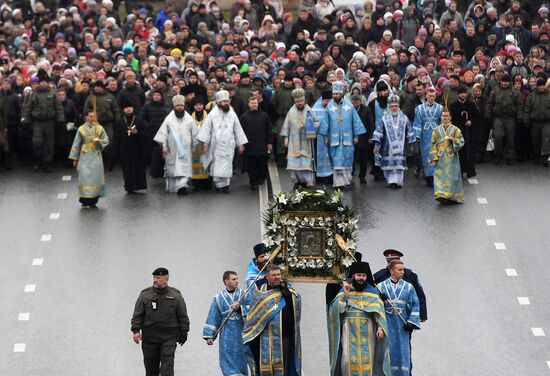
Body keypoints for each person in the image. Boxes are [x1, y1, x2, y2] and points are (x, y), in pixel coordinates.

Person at [327, 261, 391, 376]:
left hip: (368, 331)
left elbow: (379, 311)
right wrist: (345, 296)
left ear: (366, 277)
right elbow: (339, 310)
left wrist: (380, 328)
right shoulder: (345, 289)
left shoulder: (373, 292)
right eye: (358, 275)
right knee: (347, 359)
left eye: (363, 275)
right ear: (353, 276)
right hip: (349, 330)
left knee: (368, 359)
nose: (361, 278)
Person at [243, 264, 302, 376]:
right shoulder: (260, 292)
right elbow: (254, 315)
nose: (277, 277)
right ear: (267, 277)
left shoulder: (288, 290)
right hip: (264, 337)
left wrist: (286, 293)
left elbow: (296, 307)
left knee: (285, 367)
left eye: (278, 274)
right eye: (273, 275)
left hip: (284, 337)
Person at [131, 268, 190, 376]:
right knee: (151, 370)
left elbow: (183, 316)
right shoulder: (145, 295)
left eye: (158, 278)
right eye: (154, 277)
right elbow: (137, 315)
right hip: (149, 338)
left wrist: (184, 332)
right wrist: (136, 331)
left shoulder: (175, 295)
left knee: (167, 370)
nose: (155, 280)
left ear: (166, 279)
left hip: (169, 338)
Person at [197, 90, 248, 193]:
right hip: (216, 145)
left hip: (229, 144)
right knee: (217, 164)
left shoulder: (232, 114)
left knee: (227, 164)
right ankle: (220, 185)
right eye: (224, 101)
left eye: (227, 101)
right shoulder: (212, 114)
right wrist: (205, 145)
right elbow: (206, 130)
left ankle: (225, 184)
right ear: (218, 102)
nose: (226, 103)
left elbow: (238, 129)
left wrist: (241, 144)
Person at [378, 260, 421, 376]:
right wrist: (379, 299)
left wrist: (411, 322)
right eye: (399, 269)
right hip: (387, 325)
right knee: (387, 351)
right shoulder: (380, 287)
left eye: (403, 269)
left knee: (403, 352)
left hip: (402, 327)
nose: (403, 272)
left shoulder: (409, 287)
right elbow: (376, 307)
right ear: (391, 271)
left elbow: (415, 305)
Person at [320, 81, 366, 188]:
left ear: (341, 94)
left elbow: (356, 121)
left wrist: (356, 136)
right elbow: (325, 123)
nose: (335, 96)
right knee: (336, 162)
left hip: (347, 139)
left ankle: (346, 182)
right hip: (334, 139)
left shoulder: (349, 106)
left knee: (347, 160)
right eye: (333, 94)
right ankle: (338, 183)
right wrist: (325, 137)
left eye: (337, 94)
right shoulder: (329, 107)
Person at [203, 271, 249, 376]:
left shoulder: (243, 294)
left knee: (241, 357)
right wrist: (210, 335)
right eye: (233, 279)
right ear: (226, 281)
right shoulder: (218, 298)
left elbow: (253, 308)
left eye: (237, 279)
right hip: (226, 334)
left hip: (242, 332)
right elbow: (213, 316)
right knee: (227, 356)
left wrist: (240, 308)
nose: (237, 281)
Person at [153, 95, 197, 195]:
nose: (180, 108)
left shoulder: (189, 119)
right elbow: (163, 134)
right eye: (177, 106)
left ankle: (182, 186)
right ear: (174, 106)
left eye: (181, 105)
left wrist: (194, 146)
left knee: (183, 168)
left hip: (185, 149)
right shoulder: (168, 119)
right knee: (173, 169)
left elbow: (194, 134)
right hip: (172, 148)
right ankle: (175, 187)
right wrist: (164, 146)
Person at [21, 73, 65, 172]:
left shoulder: (53, 93)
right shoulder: (34, 94)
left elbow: (58, 107)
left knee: (49, 144)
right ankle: (38, 160)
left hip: (49, 122)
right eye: (42, 82)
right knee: (37, 142)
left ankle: (47, 162)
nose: (44, 84)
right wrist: (26, 119)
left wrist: (61, 119)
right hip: (37, 122)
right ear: (39, 83)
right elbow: (28, 108)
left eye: (45, 82)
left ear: (47, 83)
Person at [371, 94, 416, 188]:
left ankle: (396, 181)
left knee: (398, 167)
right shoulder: (384, 118)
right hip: (387, 147)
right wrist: (376, 145)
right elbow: (379, 132)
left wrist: (411, 145)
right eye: (392, 106)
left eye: (396, 106)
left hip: (401, 147)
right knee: (389, 167)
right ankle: (391, 180)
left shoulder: (404, 118)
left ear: (398, 107)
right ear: (389, 107)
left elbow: (410, 131)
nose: (394, 108)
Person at [68, 109, 109, 208]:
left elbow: (106, 139)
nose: (92, 118)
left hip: (95, 155)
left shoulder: (99, 128)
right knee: (85, 177)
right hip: (84, 155)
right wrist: (75, 158)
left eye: (94, 116)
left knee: (95, 177)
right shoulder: (81, 129)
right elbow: (76, 144)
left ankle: (94, 199)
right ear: (86, 117)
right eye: (90, 116)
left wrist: (99, 141)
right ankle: (84, 199)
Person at [373, 249, 428, 323]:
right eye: (389, 261)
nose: (390, 264)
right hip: (385, 316)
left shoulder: (410, 275)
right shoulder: (379, 276)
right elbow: (372, 295)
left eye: (393, 261)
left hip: (405, 315)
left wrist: (422, 314)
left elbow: (419, 295)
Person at [281, 87, 318, 189]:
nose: (299, 103)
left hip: (306, 141)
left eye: (301, 101)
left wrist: (308, 126)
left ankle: (307, 181)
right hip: (294, 142)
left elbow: (317, 122)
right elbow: (286, 126)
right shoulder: (291, 112)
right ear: (294, 101)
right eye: (297, 101)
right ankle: (297, 181)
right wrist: (285, 139)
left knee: (306, 164)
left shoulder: (309, 110)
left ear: (304, 100)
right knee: (295, 164)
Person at [111, 100, 148, 194]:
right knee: (127, 169)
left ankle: (139, 185)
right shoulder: (119, 122)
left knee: (138, 167)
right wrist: (115, 151)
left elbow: (145, 135)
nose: (128, 109)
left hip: (137, 149)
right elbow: (116, 138)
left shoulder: (139, 120)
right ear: (123, 109)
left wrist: (138, 133)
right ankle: (129, 186)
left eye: (130, 107)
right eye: (126, 107)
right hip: (124, 149)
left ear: (133, 108)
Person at [485, 73, 522, 165]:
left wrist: (519, 117)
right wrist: (488, 114)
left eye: (507, 82)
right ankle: (498, 154)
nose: (505, 83)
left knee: (510, 138)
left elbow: (519, 105)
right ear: (500, 82)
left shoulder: (515, 91)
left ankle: (510, 157)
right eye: (503, 81)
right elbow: (490, 103)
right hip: (498, 118)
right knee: (497, 136)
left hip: (510, 118)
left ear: (510, 82)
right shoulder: (495, 91)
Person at [430, 108, 465, 204]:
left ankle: (451, 196)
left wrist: (452, 139)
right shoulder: (436, 130)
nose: (445, 118)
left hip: (452, 158)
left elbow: (461, 142)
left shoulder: (456, 130)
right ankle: (441, 195)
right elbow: (432, 144)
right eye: (443, 116)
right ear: (440, 118)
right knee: (439, 177)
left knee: (452, 178)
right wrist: (433, 158)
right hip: (440, 158)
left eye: (447, 116)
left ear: (450, 117)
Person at [240, 96, 274, 190]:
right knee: (251, 166)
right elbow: (240, 132)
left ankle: (261, 178)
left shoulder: (264, 116)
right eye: (252, 103)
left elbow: (269, 130)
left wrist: (270, 142)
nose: (254, 104)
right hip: (249, 145)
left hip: (262, 144)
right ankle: (253, 182)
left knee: (262, 164)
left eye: (255, 103)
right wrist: (241, 144)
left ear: (258, 104)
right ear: (248, 104)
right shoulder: (243, 117)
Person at [83, 80, 120, 164]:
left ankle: (109, 160)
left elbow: (116, 110)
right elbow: (85, 111)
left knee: (109, 141)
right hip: (95, 124)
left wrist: (117, 121)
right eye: (95, 86)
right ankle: (98, 160)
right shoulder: (91, 97)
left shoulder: (110, 97)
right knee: (95, 142)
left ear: (102, 87)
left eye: (98, 86)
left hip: (108, 123)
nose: (96, 88)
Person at [413, 88, 443, 186]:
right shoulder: (420, 108)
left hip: (436, 134)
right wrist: (417, 135)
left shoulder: (440, 108)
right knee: (426, 154)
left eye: (433, 96)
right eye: (430, 96)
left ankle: (435, 175)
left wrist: (443, 133)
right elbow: (417, 122)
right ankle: (428, 176)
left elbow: (441, 122)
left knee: (435, 154)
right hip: (424, 134)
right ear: (426, 96)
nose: (431, 98)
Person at [450, 85, 478, 178]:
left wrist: (471, 121)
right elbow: (451, 119)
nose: (463, 95)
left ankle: (470, 171)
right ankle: (460, 171)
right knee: (459, 151)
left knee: (469, 151)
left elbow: (476, 116)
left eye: (464, 93)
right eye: (461, 93)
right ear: (458, 94)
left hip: (469, 131)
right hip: (457, 131)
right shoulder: (453, 106)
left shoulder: (471, 104)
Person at [142, 89, 171, 178]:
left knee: (164, 151)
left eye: (158, 95)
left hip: (163, 132)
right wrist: (147, 126)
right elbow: (142, 118)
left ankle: (164, 170)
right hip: (151, 132)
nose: (156, 96)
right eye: (154, 95)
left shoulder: (166, 106)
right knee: (154, 152)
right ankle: (155, 171)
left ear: (161, 96)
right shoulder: (147, 106)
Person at [524, 78, 550, 167]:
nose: (542, 87)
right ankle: (536, 155)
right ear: (537, 86)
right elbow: (527, 109)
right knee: (535, 139)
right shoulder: (531, 96)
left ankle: (545, 157)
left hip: (546, 121)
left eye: (543, 85)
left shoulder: (548, 95)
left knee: (546, 139)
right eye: (540, 86)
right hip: (534, 121)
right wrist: (526, 120)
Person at [351, 94, 375, 184]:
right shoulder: (349, 110)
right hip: (352, 138)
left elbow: (371, 125)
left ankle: (362, 176)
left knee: (363, 159)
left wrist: (370, 137)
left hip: (364, 138)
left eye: (357, 102)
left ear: (360, 102)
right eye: (353, 102)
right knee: (351, 158)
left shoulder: (366, 110)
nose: (355, 104)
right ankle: (351, 173)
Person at [190, 96, 213, 191]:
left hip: (206, 144)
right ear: (194, 106)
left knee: (206, 163)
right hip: (195, 145)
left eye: (200, 105)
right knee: (195, 164)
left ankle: (207, 184)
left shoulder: (208, 115)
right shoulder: (190, 116)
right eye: (196, 105)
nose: (199, 107)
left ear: (203, 105)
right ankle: (196, 184)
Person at [312, 90, 333, 183]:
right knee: (320, 157)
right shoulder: (315, 109)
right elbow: (312, 122)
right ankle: (320, 177)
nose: (327, 103)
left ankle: (331, 176)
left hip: (332, 137)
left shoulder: (334, 108)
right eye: (326, 101)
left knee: (331, 156)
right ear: (322, 100)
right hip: (319, 138)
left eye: (329, 100)